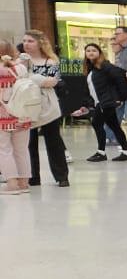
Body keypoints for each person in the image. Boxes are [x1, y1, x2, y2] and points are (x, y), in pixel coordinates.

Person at [17, 31, 68, 189]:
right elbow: (16, 79)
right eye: (24, 40)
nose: (26, 44)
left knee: (54, 142)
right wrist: (39, 80)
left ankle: (61, 176)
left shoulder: (50, 61)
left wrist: (31, 78)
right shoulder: (20, 61)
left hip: (47, 106)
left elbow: (53, 82)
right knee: (28, 143)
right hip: (27, 106)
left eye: (30, 41)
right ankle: (33, 177)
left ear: (40, 43)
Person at [80, 42, 127, 161]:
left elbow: (120, 75)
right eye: (88, 51)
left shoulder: (105, 66)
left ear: (99, 53)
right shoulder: (92, 68)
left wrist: (121, 97)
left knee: (96, 123)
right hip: (101, 102)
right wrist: (87, 104)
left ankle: (101, 153)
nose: (91, 52)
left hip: (106, 102)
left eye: (94, 50)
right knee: (115, 126)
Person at [0, 44, 29, 194]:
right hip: (23, 114)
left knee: (4, 150)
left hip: (3, 115)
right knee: (21, 150)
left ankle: (11, 184)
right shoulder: (21, 68)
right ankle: (24, 183)